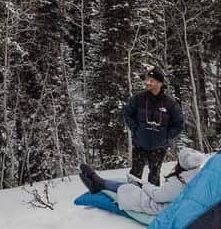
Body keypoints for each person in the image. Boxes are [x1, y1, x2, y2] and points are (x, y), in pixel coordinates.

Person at [79, 146, 207, 216]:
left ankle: (99, 184)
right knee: (130, 183)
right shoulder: (199, 175)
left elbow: (158, 196)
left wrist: (145, 186)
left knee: (130, 188)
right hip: (171, 204)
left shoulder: (180, 182)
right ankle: (101, 182)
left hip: (161, 208)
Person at [122, 69, 184, 185]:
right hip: (140, 143)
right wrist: (135, 129)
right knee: (135, 174)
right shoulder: (138, 98)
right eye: (148, 80)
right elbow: (127, 114)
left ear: (160, 83)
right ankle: (132, 199)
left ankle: (152, 201)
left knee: (154, 175)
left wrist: (166, 137)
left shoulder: (170, 103)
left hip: (159, 146)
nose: (148, 83)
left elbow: (179, 124)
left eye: (152, 81)